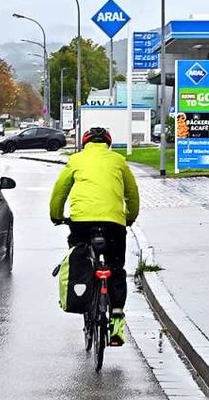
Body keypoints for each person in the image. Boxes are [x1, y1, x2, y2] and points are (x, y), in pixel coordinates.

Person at [49, 126, 140, 346]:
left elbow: (60, 191)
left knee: (79, 257)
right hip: (113, 224)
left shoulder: (76, 160)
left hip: (82, 222)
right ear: (107, 143)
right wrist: (130, 217)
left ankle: (85, 290)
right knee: (116, 268)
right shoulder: (118, 161)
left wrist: (56, 216)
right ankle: (116, 321)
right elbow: (132, 193)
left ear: (85, 142)